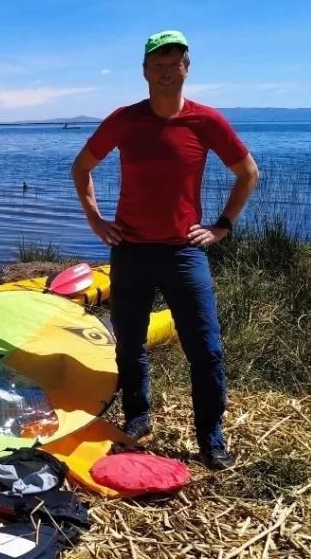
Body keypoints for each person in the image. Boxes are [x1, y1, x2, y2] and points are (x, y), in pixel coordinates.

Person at [70, 30, 259, 470]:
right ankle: (138, 417)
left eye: (175, 63)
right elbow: (81, 167)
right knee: (129, 344)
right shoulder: (123, 119)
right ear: (144, 71)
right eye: (158, 63)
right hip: (131, 250)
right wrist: (96, 220)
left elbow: (248, 173)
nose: (166, 71)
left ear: (186, 69)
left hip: (183, 253)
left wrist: (222, 226)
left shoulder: (205, 120)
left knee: (206, 348)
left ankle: (211, 437)